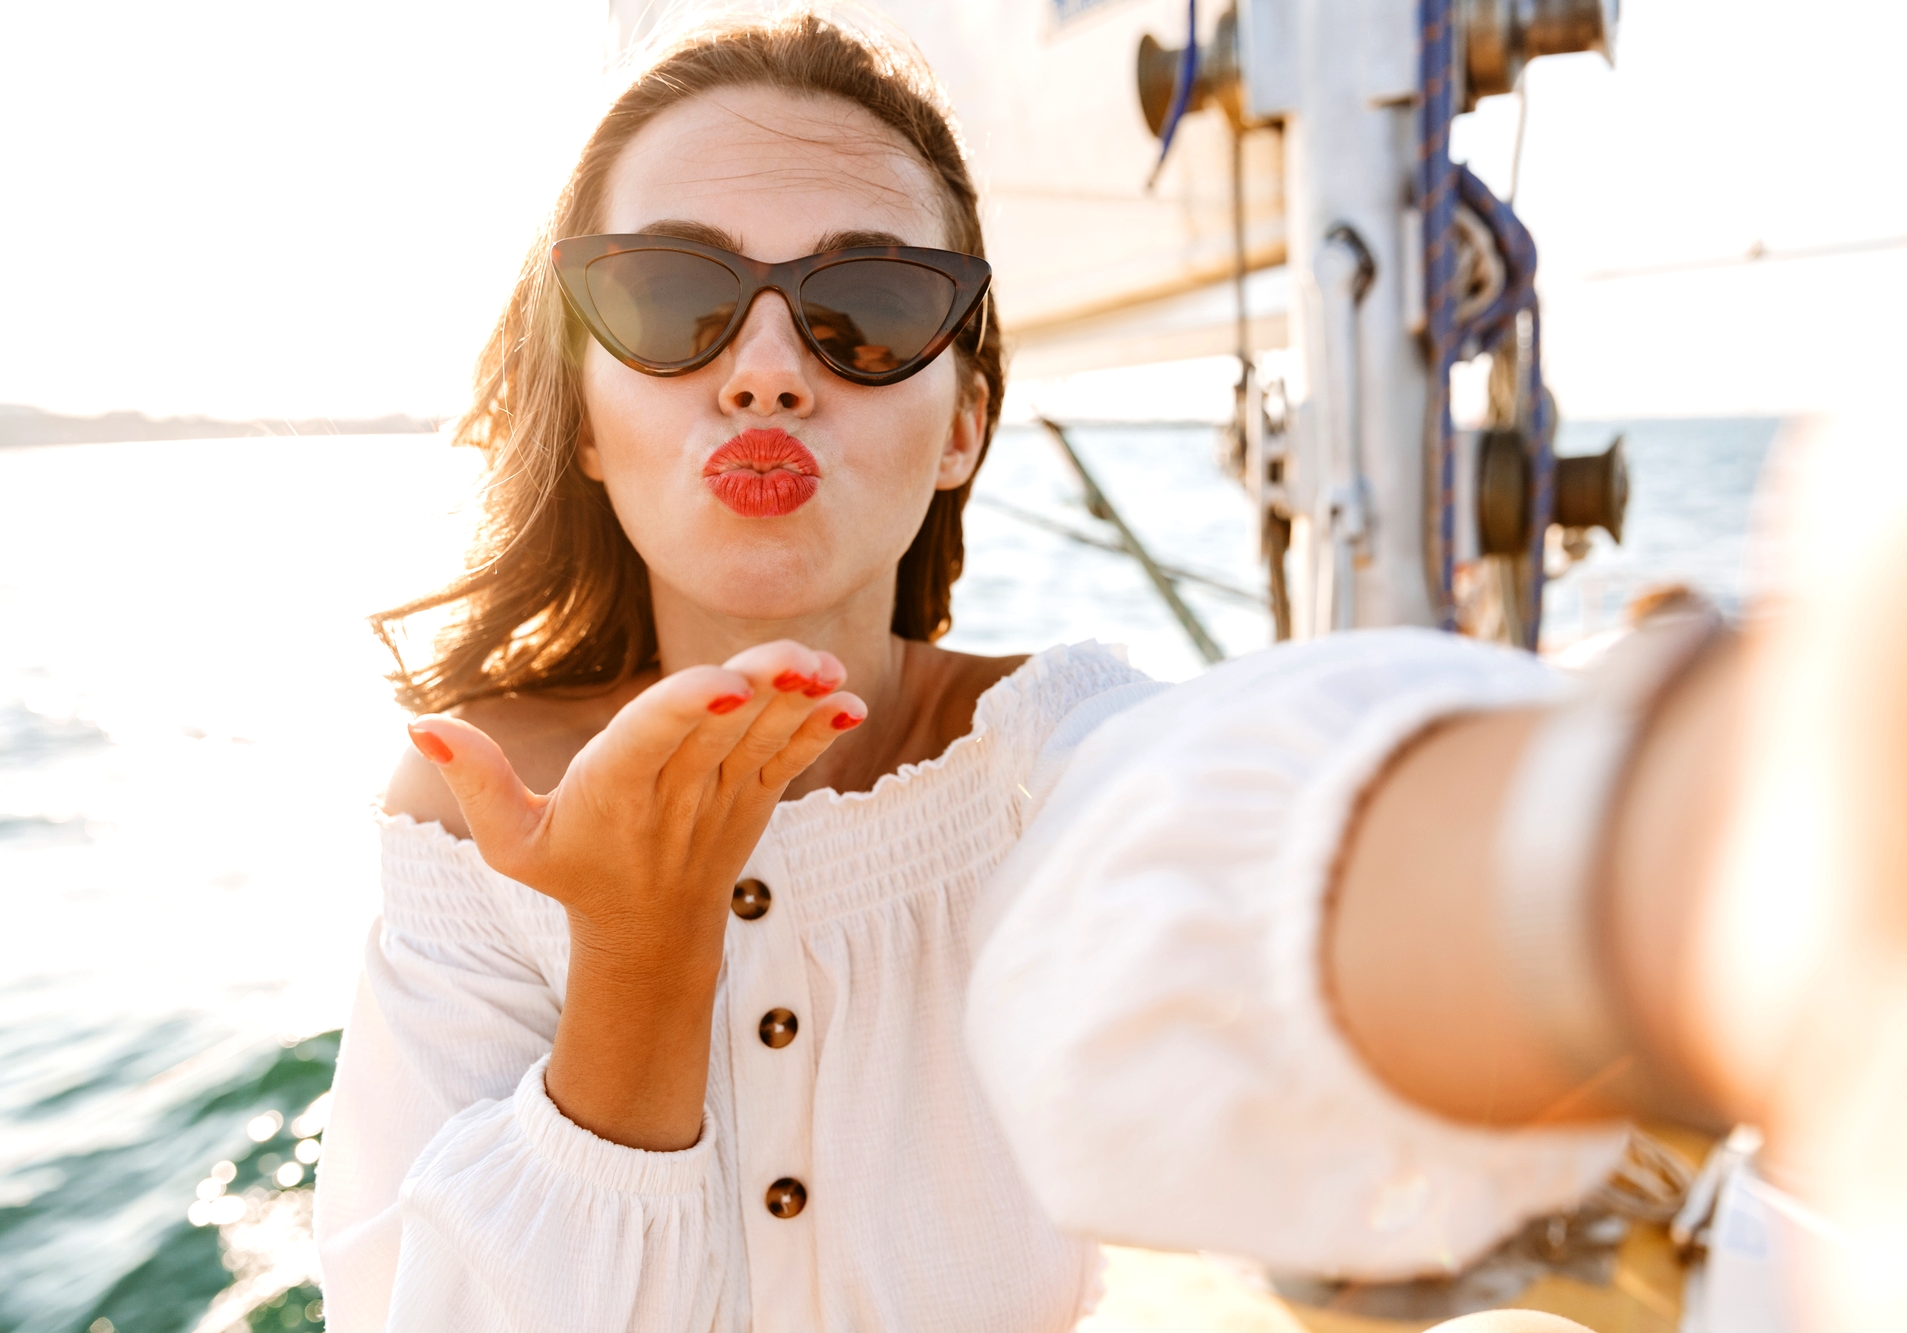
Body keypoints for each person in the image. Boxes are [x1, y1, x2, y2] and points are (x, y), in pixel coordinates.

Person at [312, 11, 1906, 1332]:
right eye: (672, 294)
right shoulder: (470, 809)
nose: (769, 365)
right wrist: (639, 962)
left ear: (965, 428)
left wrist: (1667, 843)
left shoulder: (1032, 749)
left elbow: (1180, 859)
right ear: (583, 410)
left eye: (869, 308)